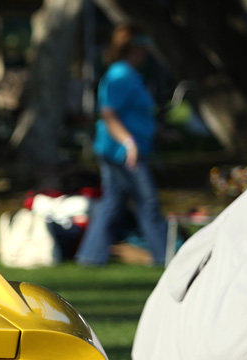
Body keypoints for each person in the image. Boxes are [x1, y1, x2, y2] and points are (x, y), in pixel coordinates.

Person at [75, 24, 167, 266]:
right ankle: (164, 255)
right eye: (141, 50)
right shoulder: (119, 76)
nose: (144, 55)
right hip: (122, 152)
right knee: (148, 203)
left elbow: (135, 114)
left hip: (124, 148)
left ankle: (90, 256)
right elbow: (108, 114)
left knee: (112, 203)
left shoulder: (130, 75)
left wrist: (160, 131)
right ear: (132, 50)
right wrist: (129, 142)